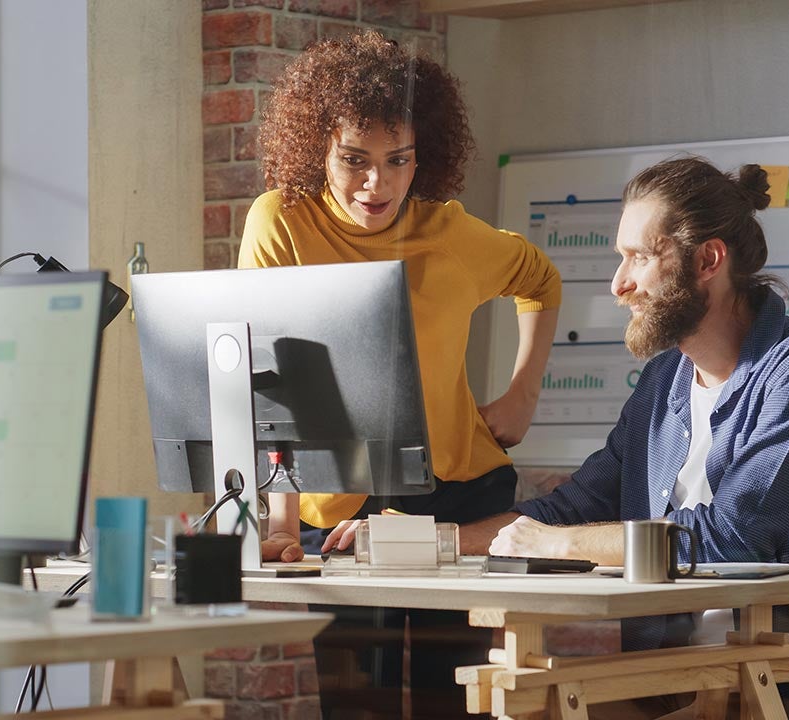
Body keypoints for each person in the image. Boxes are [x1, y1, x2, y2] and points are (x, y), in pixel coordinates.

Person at [461, 157, 789, 720]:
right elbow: (574, 506)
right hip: (662, 680)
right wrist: (436, 540)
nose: (619, 285)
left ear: (707, 259)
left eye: (639, 257)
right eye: (620, 258)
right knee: (519, 708)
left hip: (781, 685)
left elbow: (732, 538)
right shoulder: (664, 383)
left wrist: (557, 545)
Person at [238, 31, 561, 719]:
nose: (375, 184)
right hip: (340, 513)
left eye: (398, 161)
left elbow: (541, 278)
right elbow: (270, 377)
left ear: (424, 157)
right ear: (317, 147)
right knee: (359, 708)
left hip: (462, 498)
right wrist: (280, 520)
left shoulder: (452, 234)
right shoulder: (281, 223)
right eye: (353, 160)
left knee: (459, 703)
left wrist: (522, 392)